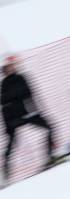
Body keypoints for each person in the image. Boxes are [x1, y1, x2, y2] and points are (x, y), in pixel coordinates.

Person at [1, 55, 56, 184]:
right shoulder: (4, 84)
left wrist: (38, 110)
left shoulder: (21, 77)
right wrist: (7, 125)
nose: (12, 68)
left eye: (13, 65)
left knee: (50, 128)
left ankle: (49, 157)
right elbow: (4, 101)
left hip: (27, 113)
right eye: (8, 67)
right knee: (11, 144)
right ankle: (5, 174)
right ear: (4, 69)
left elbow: (30, 93)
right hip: (13, 117)